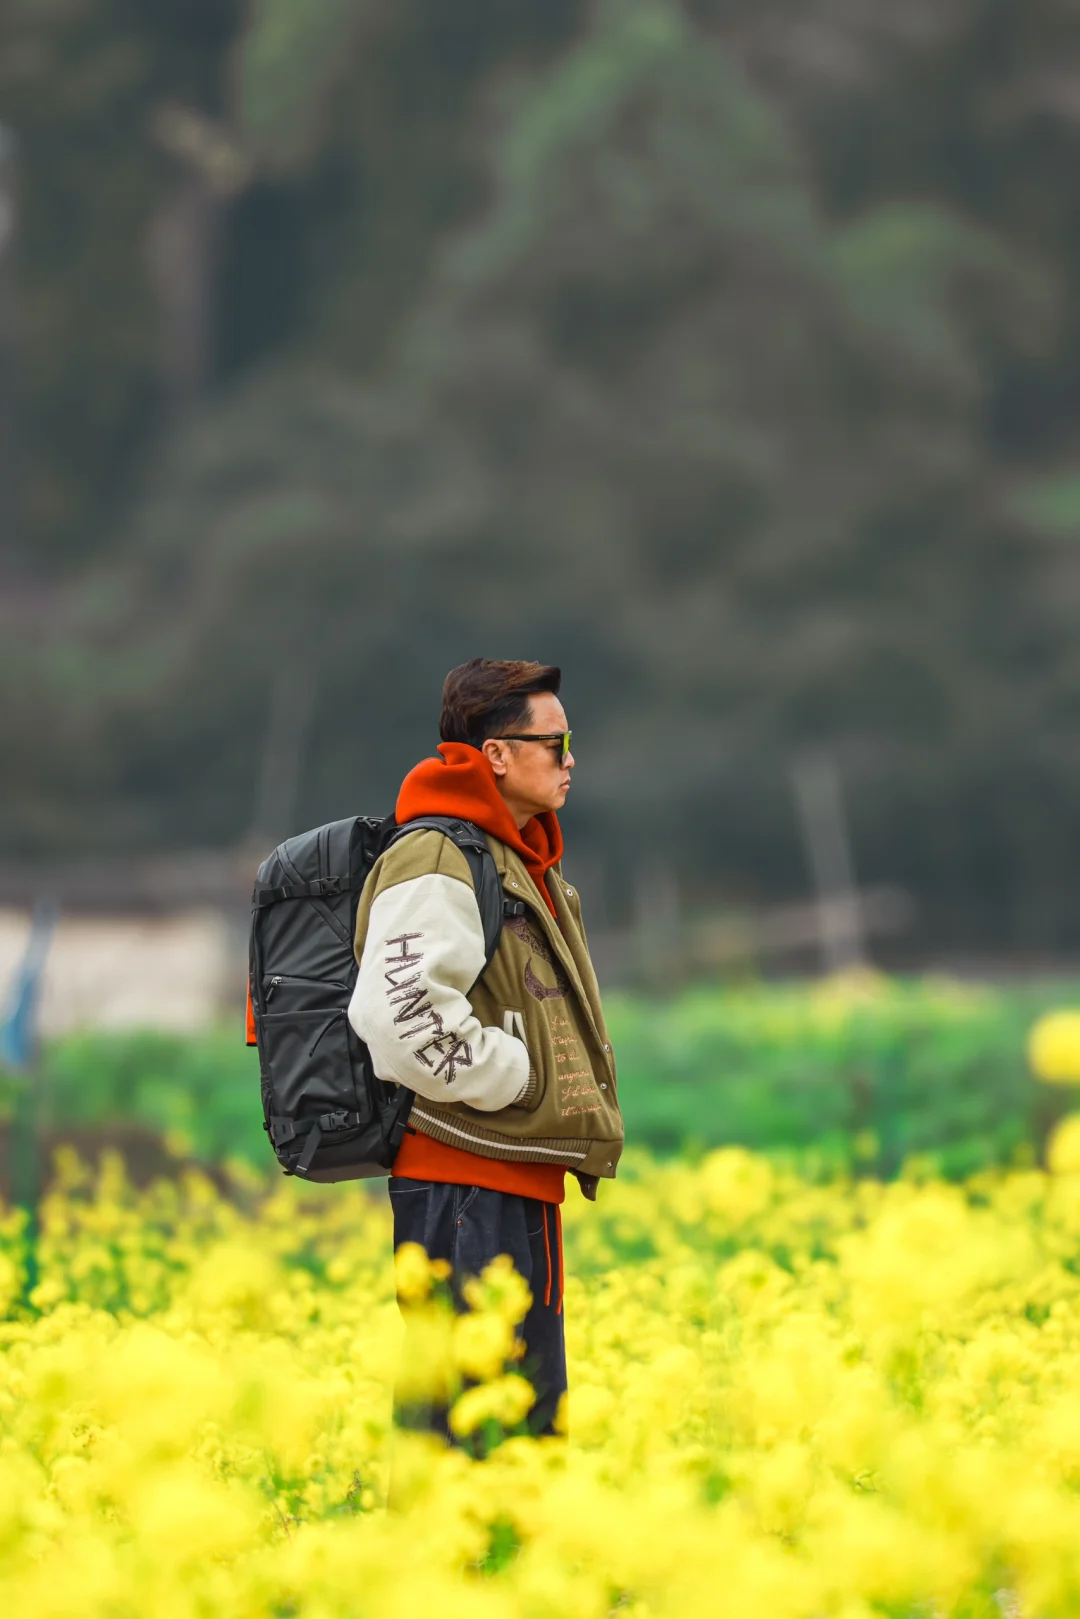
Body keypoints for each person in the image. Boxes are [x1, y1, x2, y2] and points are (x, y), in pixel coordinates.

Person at [348, 658, 623, 1441]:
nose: (571, 759)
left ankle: (497, 1565)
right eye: (556, 741)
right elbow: (396, 1013)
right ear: (496, 754)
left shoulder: (510, 857)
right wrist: (521, 1078)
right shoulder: (438, 855)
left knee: (512, 1424)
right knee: (469, 1431)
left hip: (504, 1179)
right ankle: (457, 1567)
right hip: (467, 1185)